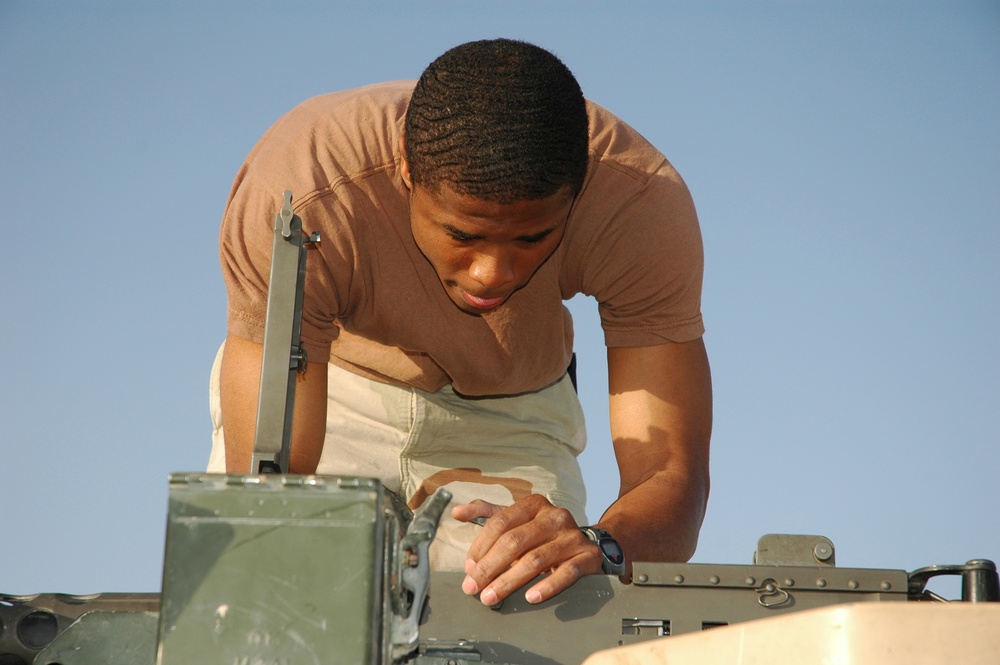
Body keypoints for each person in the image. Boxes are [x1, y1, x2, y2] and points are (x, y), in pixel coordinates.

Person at [208, 38, 712, 608]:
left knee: (537, 612)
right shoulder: (307, 189)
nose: (492, 274)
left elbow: (669, 477)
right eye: (463, 235)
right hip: (336, 389)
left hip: (515, 417)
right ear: (405, 169)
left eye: (531, 238)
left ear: (577, 195)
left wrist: (603, 544)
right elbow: (270, 498)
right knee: (280, 602)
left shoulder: (639, 204)